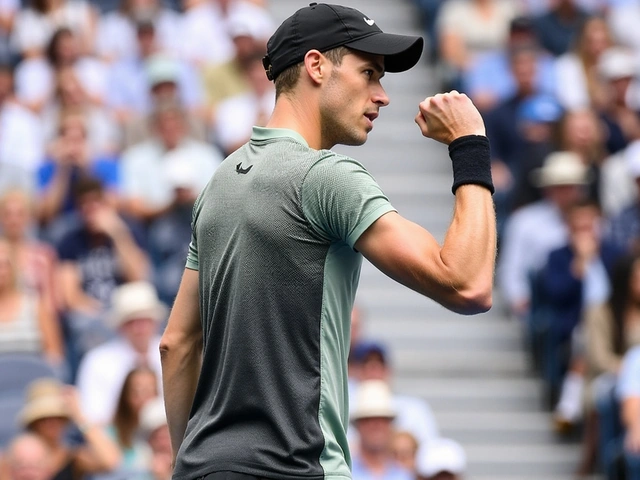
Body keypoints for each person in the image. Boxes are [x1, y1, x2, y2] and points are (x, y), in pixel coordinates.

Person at [160, 3, 496, 480]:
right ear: (316, 66)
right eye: (369, 73)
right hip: (298, 468)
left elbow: (176, 344)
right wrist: (471, 146)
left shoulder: (217, 183)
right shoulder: (326, 178)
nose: (382, 96)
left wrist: (186, 461)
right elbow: (467, 283)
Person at [76, 281, 166, 425]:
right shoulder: (97, 361)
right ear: (120, 326)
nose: (139, 328)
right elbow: (94, 416)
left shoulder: (171, 351)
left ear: (155, 322)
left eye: (144, 320)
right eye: (131, 321)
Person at [349, 380, 413, 480]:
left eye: (383, 419)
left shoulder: (404, 475)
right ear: (358, 425)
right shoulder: (344, 473)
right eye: (368, 419)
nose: (376, 425)